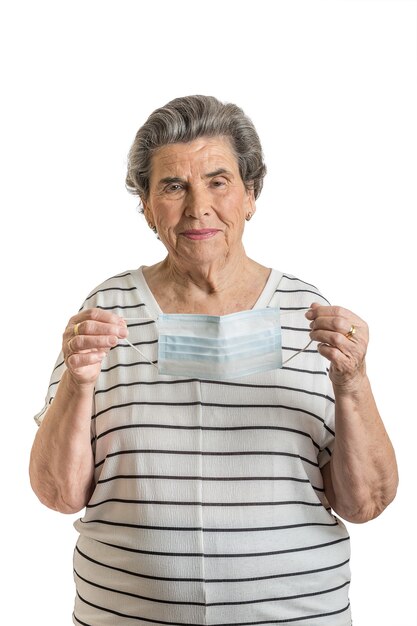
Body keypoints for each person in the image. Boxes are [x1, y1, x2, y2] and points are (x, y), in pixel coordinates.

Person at [29, 95, 398, 626]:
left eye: (218, 181)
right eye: (173, 186)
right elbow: (57, 494)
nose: (198, 206)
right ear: (147, 206)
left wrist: (354, 382)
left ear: (251, 195)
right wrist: (79, 384)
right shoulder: (105, 314)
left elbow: (365, 504)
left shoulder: (308, 314)